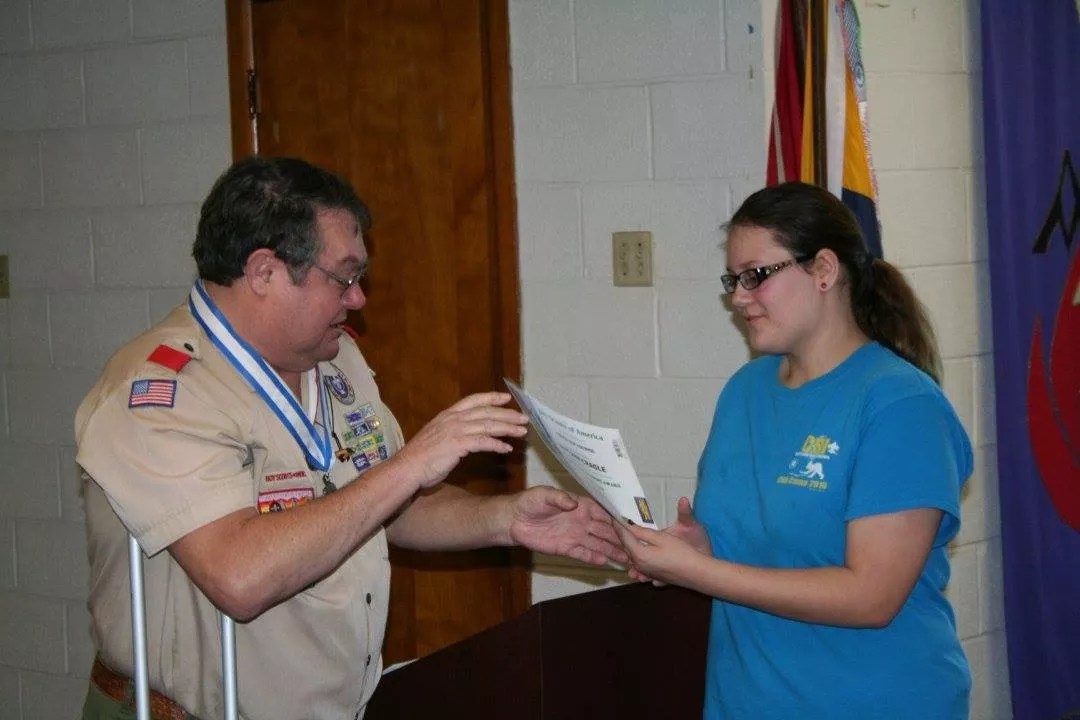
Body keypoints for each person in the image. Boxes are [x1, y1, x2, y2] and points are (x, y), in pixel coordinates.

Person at [75, 156, 625, 720]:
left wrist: (506, 519)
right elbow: (239, 577)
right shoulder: (160, 390)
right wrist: (410, 465)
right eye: (344, 277)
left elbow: (376, 506)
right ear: (264, 271)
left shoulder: (335, 362)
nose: (358, 298)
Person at [616, 182, 972, 719]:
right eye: (733, 280)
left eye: (757, 275)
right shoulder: (745, 391)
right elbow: (775, 545)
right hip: (747, 702)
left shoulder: (900, 404)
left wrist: (700, 573)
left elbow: (872, 597)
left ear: (824, 270)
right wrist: (701, 548)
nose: (739, 296)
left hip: (875, 703)